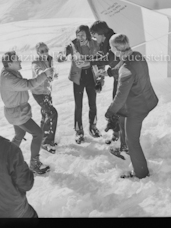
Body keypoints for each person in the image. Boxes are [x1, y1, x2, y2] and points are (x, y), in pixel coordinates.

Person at [104, 34, 158, 179]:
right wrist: (110, 72)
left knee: (132, 141)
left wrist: (110, 112)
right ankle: (136, 164)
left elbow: (120, 96)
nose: (110, 49)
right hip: (147, 100)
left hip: (137, 108)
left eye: (111, 46)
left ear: (116, 48)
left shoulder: (126, 70)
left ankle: (141, 173)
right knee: (130, 138)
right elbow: (126, 66)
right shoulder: (137, 55)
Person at [0, 51, 54, 175]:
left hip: (15, 112)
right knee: (38, 134)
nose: (20, 60)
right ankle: (34, 164)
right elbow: (28, 84)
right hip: (18, 114)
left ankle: (6, 160)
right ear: (9, 63)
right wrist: (45, 74)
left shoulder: (9, 72)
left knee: (19, 134)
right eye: (17, 59)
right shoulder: (9, 78)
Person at [90, 21, 128, 158]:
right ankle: (117, 135)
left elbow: (118, 63)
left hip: (123, 80)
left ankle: (124, 144)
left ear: (101, 34)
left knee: (120, 109)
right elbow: (104, 58)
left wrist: (93, 62)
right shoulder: (105, 42)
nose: (95, 39)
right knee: (116, 106)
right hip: (119, 78)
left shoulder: (114, 42)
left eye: (95, 36)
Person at [60, 25, 104, 144]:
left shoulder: (95, 44)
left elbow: (100, 61)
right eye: (78, 35)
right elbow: (63, 53)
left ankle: (93, 126)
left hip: (91, 75)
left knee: (92, 103)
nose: (80, 37)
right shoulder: (73, 45)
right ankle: (79, 131)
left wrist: (100, 79)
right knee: (78, 105)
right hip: (78, 77)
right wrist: (62, 55)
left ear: (88, 35)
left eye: (82, 35)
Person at [31, 42, 59, 154]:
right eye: (42, 51)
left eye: (46, 50)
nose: (45, 53)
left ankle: (42, 138)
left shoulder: (49, 59)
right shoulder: (36, 63)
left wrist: (53, 75)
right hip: (38, 93)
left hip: (46, 91)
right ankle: (46, 142)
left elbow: (50, 73)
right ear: (38, 52)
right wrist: (45, 73)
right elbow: (38, 71)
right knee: (52, 113)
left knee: (46, 115)